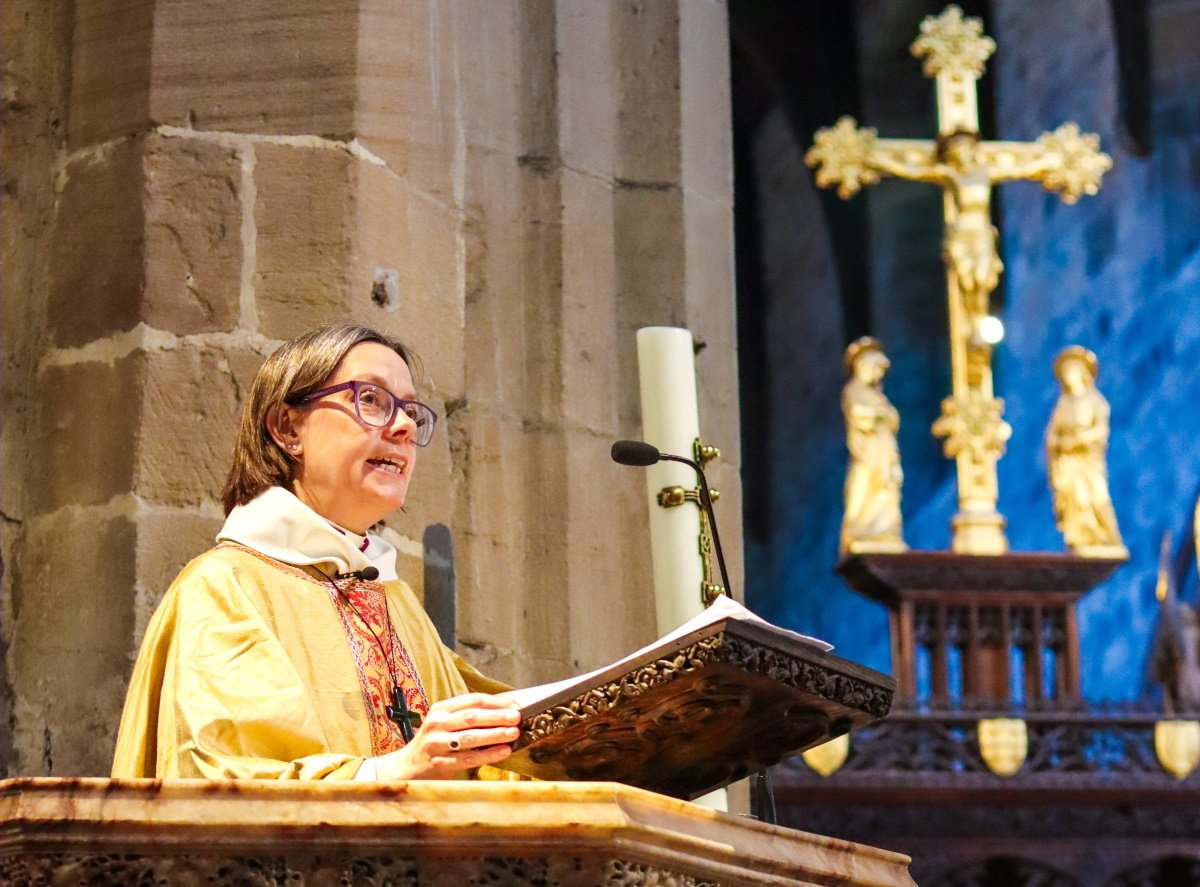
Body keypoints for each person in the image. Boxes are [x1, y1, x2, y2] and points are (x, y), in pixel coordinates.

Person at [112, 322, 522, 780]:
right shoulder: (224, 589)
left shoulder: (395, 601)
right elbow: (216, 775)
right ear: (288, 428)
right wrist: (396, 770)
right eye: (372, 400)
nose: (404, 426)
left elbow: (493, 756)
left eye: (410, 410)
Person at [1045, 346, 1127, 558]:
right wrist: (1061, 444)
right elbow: (1051, 436)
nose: (1069, 377)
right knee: (1076, 502)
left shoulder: (1094, 400)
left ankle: (1102, 534)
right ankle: (1082, 536)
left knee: (1094, 497)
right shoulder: (1063, 405)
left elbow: (1100, 430)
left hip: (1087, 461)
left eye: (1072, 371)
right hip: (1069, 463)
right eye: (1065, 373)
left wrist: (1078, 440)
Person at [840, 337, 907, 554]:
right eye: (875, 369)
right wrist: (879, 415)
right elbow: (860, 415)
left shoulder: (877, 396)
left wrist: (884, 415)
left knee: (886, 487)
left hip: (883, 449)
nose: (878, 375)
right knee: (865, 484)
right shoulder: (854, 390)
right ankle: (862, 528)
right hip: (869, 453)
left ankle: (883, 529)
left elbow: (893, 418)